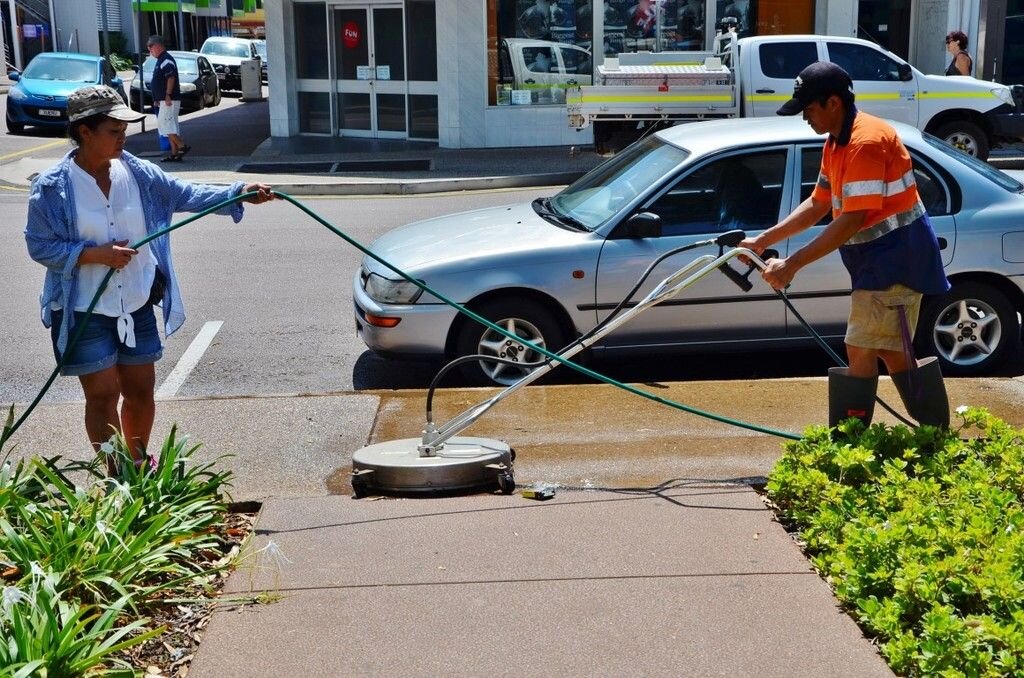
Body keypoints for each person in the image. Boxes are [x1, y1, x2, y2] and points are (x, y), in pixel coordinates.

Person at [24, 85, 275, 473]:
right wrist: (94, 255)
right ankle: (116, 472)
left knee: (140, 390)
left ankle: (138, 463)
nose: (123, 135)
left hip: (136, 299)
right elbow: (40, 246)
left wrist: (238, 193)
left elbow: (185, 193)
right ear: (84, 132)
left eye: (124, 127)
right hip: (83, 308)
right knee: (102, 396)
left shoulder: (138, 173)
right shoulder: (53, 187)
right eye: (113, 129)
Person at [739, 62, 952, 429]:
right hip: (877, 262)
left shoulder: (864, 143)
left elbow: (850, 220)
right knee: (889, 350)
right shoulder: (836, 143)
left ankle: (851, 444)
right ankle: (931, 434)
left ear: (832, 103)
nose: (805, 117)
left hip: (896, 261)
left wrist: (791, 265)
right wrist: (764, 240)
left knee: (862, 347)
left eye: (808, 109)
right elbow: (819, 203)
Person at [147, 35, 189, 162]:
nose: (149, 50)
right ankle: (175, 153)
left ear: (157, 46)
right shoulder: (162, 59)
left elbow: (171, 77)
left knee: (164, 124)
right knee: (169, 125)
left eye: (150, 47)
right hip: (165, 100)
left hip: (169, 100)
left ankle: (181, 146)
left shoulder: (165, 60)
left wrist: (167, 94)